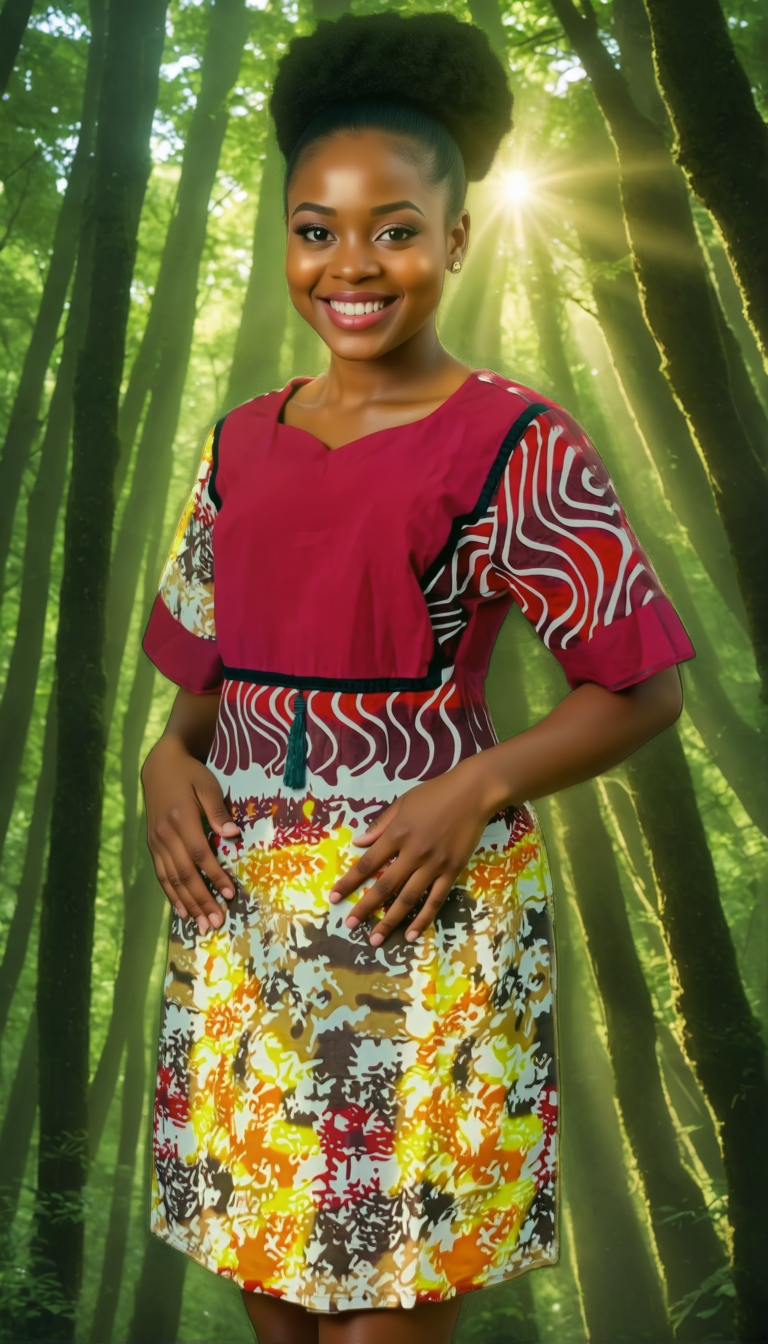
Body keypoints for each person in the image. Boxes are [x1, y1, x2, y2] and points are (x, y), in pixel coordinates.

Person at [140, 12, 694, 1343]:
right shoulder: (238, 445)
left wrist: (481, 785)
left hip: (421, 910)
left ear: (455, 239)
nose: (353, 265)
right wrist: (165, 759)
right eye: (316, 228)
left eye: (395, 228)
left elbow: (642, 686)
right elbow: (200, 676)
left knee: (383, 1317)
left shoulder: (517, 443)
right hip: (240, 924)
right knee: (272, 1299)